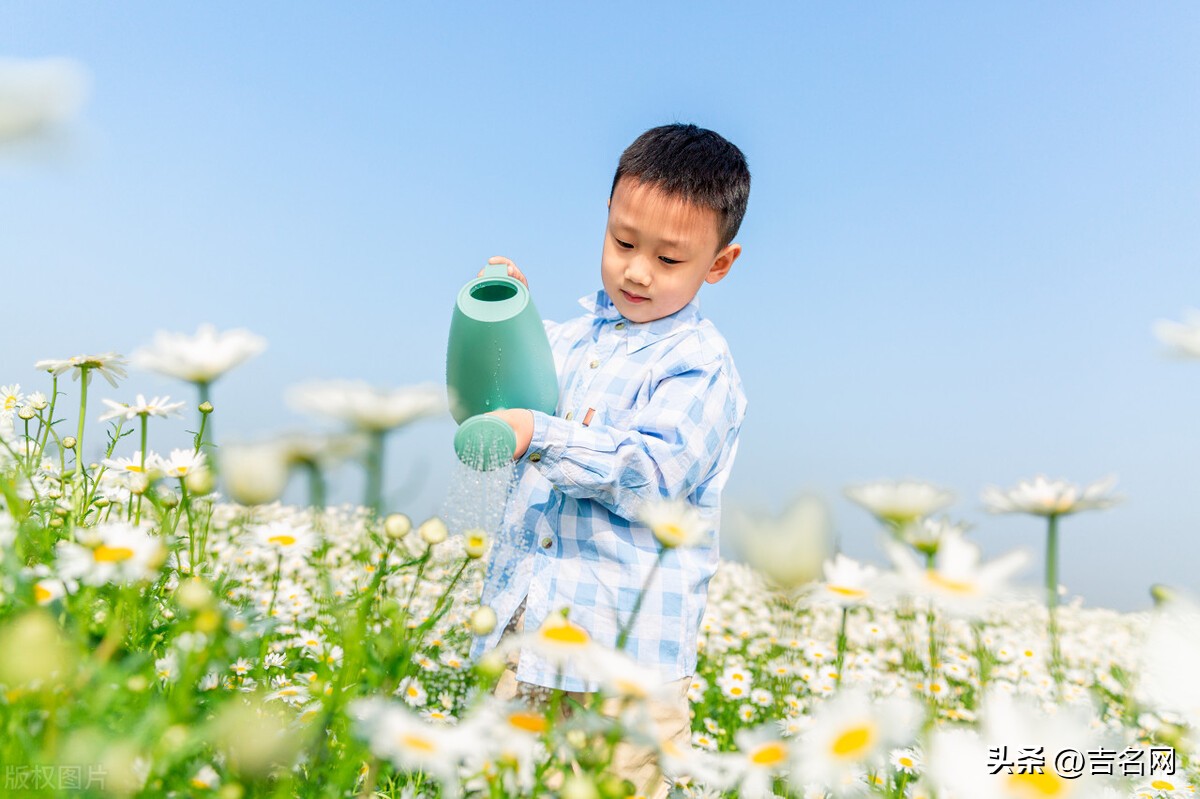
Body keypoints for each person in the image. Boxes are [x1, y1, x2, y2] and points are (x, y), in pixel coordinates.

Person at [471, 122, 750, 798]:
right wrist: (503, 317)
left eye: (669, 258)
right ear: (607, 220)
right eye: (623, 241)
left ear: (718, 263)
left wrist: (542, 431)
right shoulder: (566, 341)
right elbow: (497, 399)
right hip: (520, 644)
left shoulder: (699, 366)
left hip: (623, 676)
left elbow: (649, 474)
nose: (637, 269)